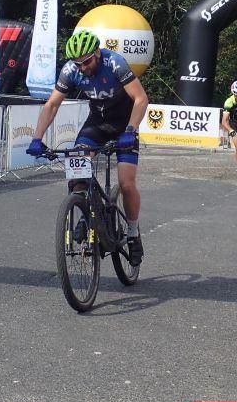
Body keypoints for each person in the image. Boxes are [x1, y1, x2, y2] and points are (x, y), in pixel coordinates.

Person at [26, 30, 149, 265]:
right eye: (78, 64)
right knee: (77, 173)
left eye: (86, 62)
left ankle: (133, 234)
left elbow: (141, 99)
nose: (82, 68)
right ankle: (87, 210)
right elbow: (52, 105)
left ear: (97, 53)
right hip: (96, 125)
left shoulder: (115, 63)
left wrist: (131, 130)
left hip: (124, 125)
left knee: (126, 183)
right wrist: (37, 138)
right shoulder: (70, 70)